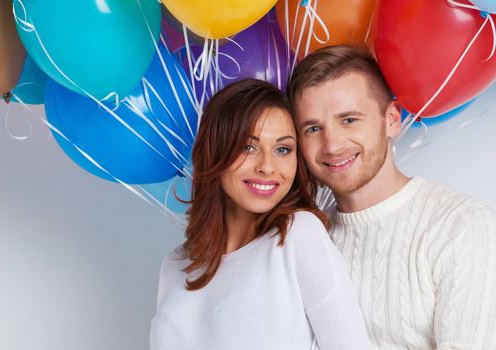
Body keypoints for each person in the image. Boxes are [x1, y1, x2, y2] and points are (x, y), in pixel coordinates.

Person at [288, 45, 496, 349]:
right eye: (313, 128)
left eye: (349, 120)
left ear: (392, 119)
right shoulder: (308, 240)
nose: (331, 144)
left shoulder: (462, 227)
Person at [149, 79, 370, 350]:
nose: (267, 166)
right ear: (216, 151)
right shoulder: (176, 264)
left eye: (282, 149)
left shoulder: (297, 235)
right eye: (248, 147)